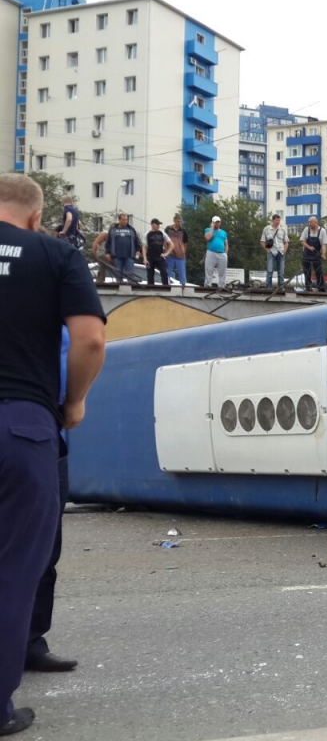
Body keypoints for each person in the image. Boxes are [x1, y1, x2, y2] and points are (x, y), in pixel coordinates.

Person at [0, 172, 106, 736]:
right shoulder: (52, 256)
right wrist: (74, 403)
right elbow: (89, 339)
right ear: (39, 216)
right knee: (17, 567)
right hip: (23, 424)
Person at [25, 328, 76, 675]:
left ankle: (29, 641)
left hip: (50, 436)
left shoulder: (56, 318)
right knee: (32, 552)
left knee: (46, 551)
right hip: (33, 432)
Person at [92, 213, 141, 283]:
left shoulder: (131, 229)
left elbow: (137, 241)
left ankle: (131, 290)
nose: (125, 221)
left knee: (130, 274)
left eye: (126, 220)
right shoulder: (113, 230)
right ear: (119, 220)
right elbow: (108, 243)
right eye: (123, 220)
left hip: (129, 256)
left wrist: (138, 250)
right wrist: (108, 253)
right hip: (117, 257)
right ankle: (119, 289)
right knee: (118, 275)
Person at [301, 217, 327, 293]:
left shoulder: (322, 231)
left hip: (316, 255)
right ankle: (308, 287)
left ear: (316, 222)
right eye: (309, 222)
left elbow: (324, 244)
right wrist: (309, 247)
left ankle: (321, 288)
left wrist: (323, 254)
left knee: (319, 272)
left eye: (311, 222)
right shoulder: (306, 230)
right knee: (307, 272)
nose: (309, 224)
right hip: (306, 254)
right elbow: (302, 241)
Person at [261, 214, 289, 290]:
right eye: (276, 220)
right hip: (271, 251)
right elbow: (262, 241)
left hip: (280, 251)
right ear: (273, 220)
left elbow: (286, 242)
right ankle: (268, 286)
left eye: (279, 220)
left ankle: (281, 286)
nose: (278, 222)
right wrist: (267, 250)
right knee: (269, 270)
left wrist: (284, 250)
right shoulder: (267, 229)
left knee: (281, 271)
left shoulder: (282, 230)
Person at [143, 219, 172, 286]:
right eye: (157, 224)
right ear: (152, 225)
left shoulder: (162, 233)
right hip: (150, 257)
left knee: (164, 273)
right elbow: (144, 247)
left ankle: (165, 288)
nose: (159, 226)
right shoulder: (147, 234)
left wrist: (166, 253)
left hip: (160, 257)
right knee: (150, 275)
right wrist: (145, 258)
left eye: (159, 224)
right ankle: (150, 289)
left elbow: (171, 244)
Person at [203, 215, 229, 288]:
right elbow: (208, 237)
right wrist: (212, 227)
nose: (217, 224)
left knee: (222, 272)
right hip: (211, 252)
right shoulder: (208, 230)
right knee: (209, 270)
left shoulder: (223, 232)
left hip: (221, 253)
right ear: (213, 222)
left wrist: (225, 253)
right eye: (216, 222)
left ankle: (222, 285)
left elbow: (226, 243)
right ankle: (208, 285)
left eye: (218, 222)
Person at [165, 214, 188, 286]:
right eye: (178, 221)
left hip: (180, 255)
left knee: (182, 272)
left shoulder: (183, 230)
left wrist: (183, 251)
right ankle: (166, 285)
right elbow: (164, 241)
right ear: (174, 221)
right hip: (170, 254)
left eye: (180, 222)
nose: (179, 223)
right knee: (168, 271)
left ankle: (183, 287)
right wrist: (167, 251)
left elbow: (185, 242)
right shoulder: (168, 229)